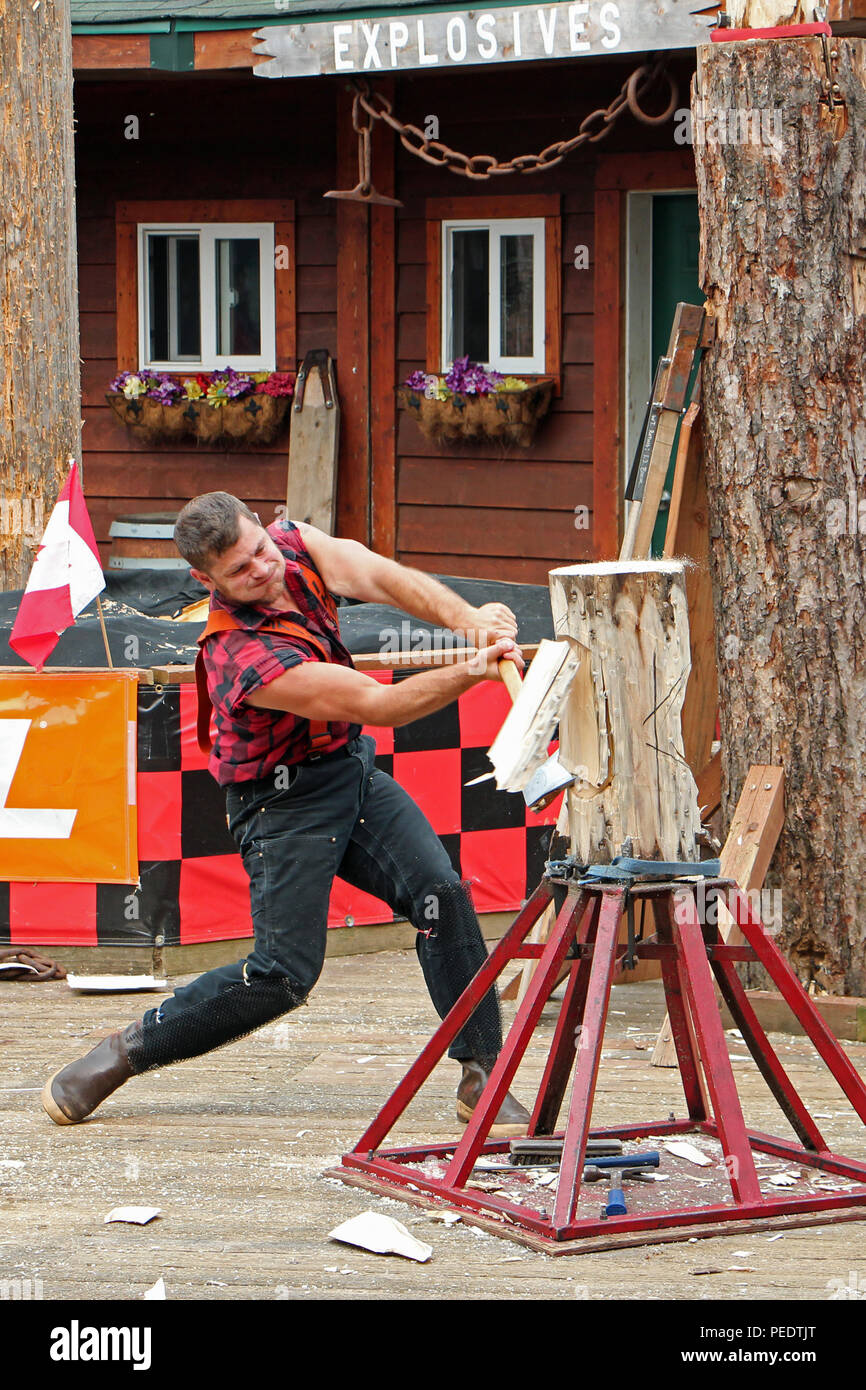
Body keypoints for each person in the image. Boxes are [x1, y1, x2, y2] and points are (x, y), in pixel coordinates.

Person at [42, 492, 530, 1134]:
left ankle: (482, 1074)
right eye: (241, 571)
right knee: (282, 975)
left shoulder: (294, 545)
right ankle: (123, 1052)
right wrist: (474, 669)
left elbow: (379, 576)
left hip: (346, 772)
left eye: (261, 550)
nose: (264, 570)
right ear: (205, 579)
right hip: (281, 806)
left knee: (440, 893)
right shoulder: (239, 655)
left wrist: (470, 620)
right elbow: (374, 705)